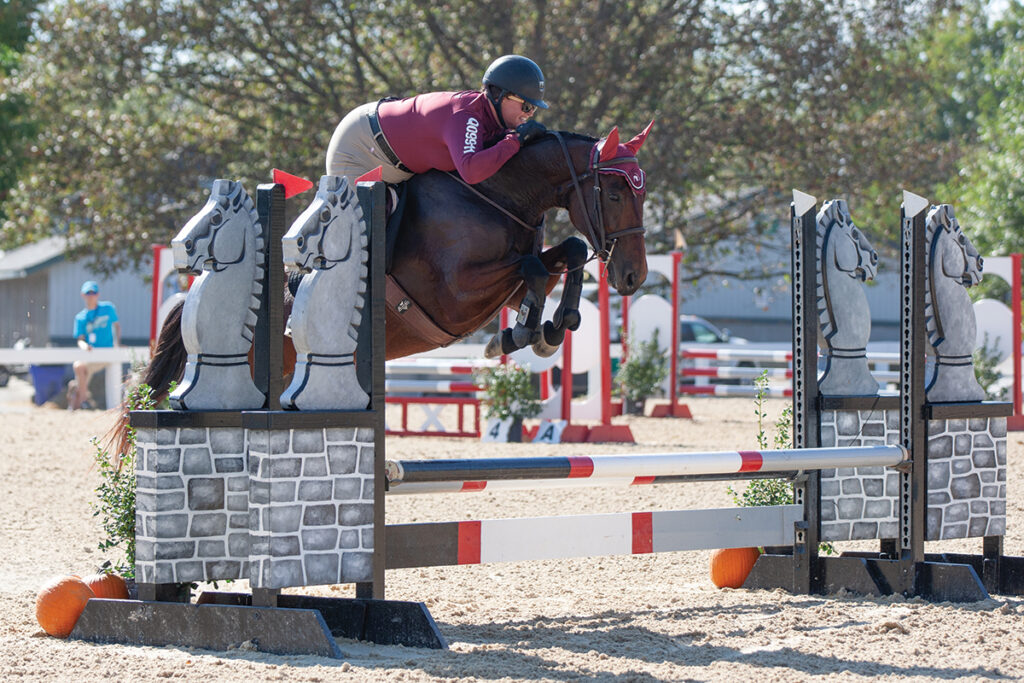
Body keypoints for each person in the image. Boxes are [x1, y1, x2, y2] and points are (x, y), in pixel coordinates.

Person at [325, 54, 550, 187]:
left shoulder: (491, 119)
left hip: (392, 158)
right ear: (499, 95)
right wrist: (515, 142)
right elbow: (471, 171)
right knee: (362, 245)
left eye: (533, 110)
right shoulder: (467, 115)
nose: (529, 114)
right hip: (361, 149)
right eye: (526, 106)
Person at [70, 280, 120, 410]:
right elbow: (80, 339)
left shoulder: (108, 308)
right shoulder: (80, 317)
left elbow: (116, 326)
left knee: (80, 371)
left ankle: (79, 398)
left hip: (107, 352)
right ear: (83, 295)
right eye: (88, 293)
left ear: (98, 294)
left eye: (93, 293)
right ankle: (80, 402)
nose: (91, 295)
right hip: (91, 354)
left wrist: (117, 344)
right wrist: (85, 347)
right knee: (80, 369)